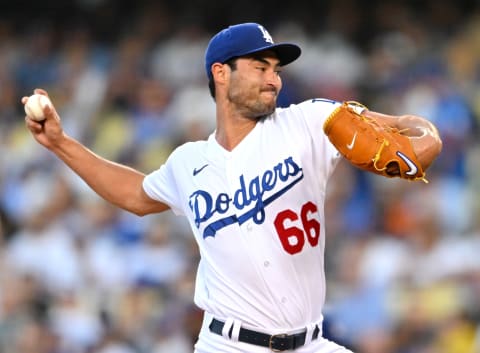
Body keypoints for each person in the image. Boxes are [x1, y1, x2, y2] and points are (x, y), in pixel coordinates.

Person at [23, 22, 442, 353]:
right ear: (221, 74)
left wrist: (426, 133)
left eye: (275, 70)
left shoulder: (309, 122)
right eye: (260, 68)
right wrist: (61, 143)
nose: (273, 80)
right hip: (227, 343)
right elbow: (135, 195)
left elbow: (405, 133)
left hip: (311, 342)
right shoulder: (188, 163)